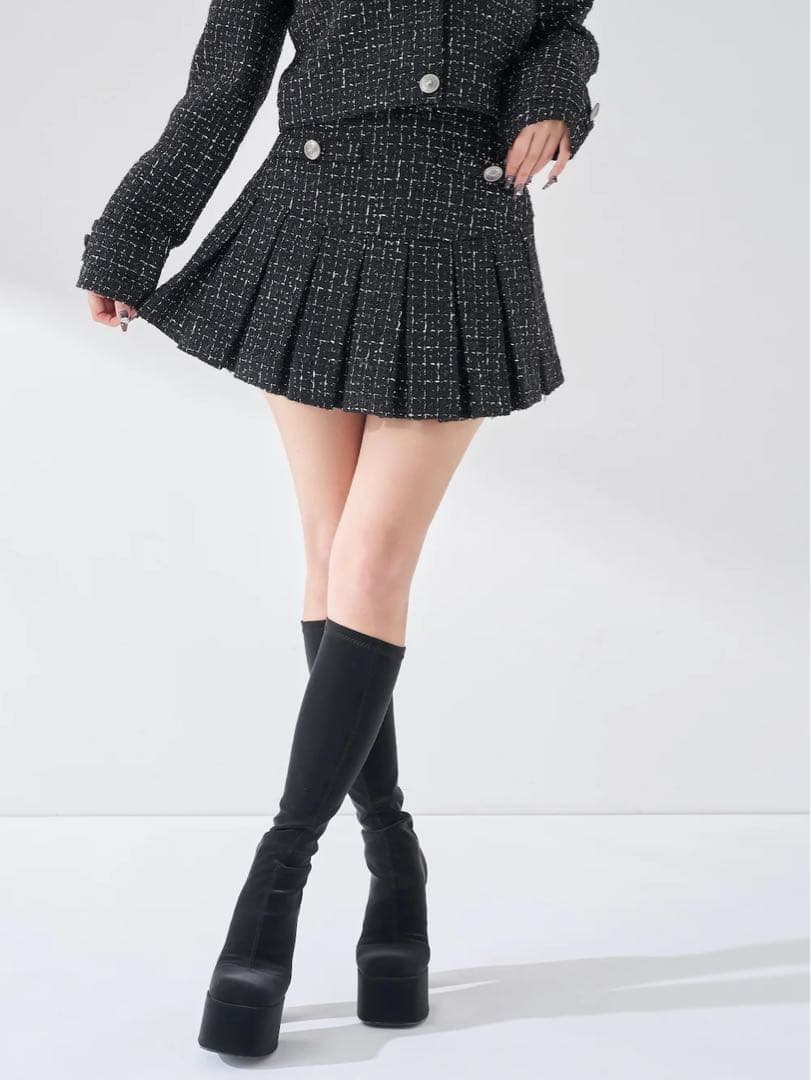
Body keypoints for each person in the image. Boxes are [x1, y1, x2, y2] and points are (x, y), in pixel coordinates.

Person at [76, 0, 600, 1058]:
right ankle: (393, 858)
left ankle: (276, 879)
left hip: (458, 230)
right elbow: (221, 87)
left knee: (369, 562)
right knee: (330, 556)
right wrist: (130, 239)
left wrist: (554, 92)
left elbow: (564, 27)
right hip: (311, 221)